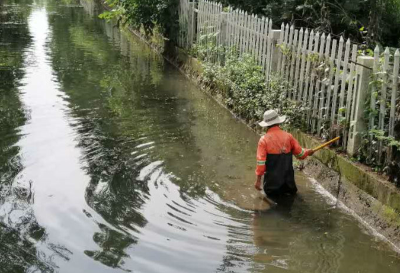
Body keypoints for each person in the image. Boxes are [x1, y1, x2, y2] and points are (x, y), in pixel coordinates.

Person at [254, 110, 314, 199]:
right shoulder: (288, 136)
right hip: (289, 185)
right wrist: (308, 152)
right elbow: (300, 154)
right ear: (278, 122)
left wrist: (258, 181)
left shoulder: (263, 140)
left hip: (272, 186)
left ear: (266, 125)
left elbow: (261, 163)